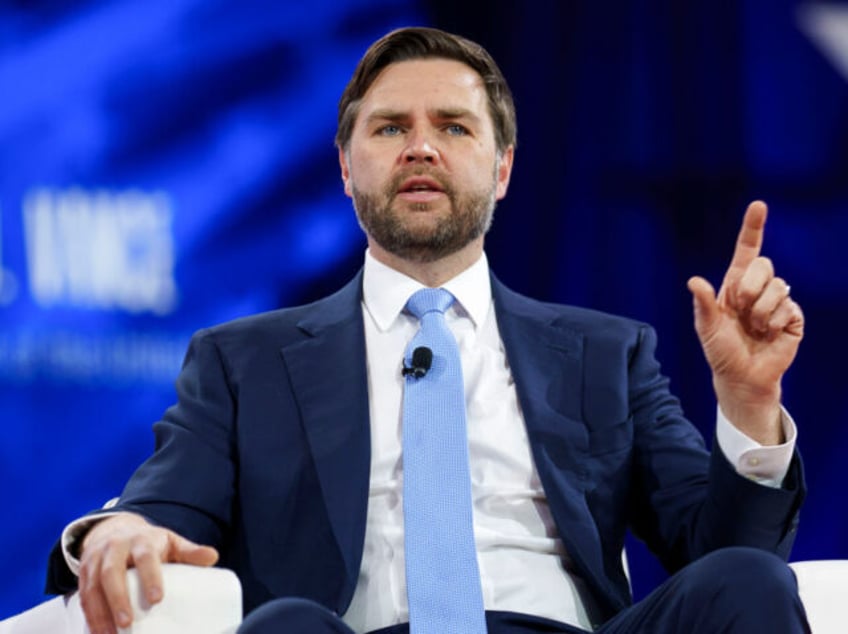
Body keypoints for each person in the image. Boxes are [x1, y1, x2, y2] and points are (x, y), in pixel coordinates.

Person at [45, 26, 808, 634]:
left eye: (453, 126)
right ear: (346, 169)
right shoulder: (241, 362)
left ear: (503, 170)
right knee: (283, 626)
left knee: (749, 581)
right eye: (389, 129)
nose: (421, 146)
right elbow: (162, 509)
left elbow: (725, 557)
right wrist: (116, 534)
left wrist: (747, 404)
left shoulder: (607, 353)